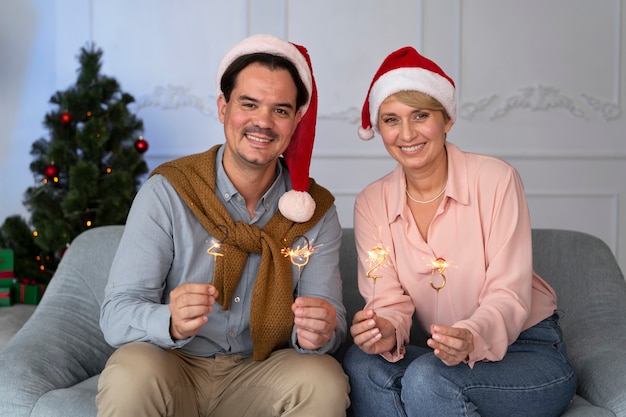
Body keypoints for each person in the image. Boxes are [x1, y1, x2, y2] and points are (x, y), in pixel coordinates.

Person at [97, 34, 350, 417]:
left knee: (324, 379)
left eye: (280, 110)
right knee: (130, 372)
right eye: (249, 104)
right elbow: (116, 315)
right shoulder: (169, 192)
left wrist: (320, 330)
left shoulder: (316, 211)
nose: (262, 122)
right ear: (222, 107)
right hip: (175, 365)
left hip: (262, 371)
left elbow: (332, 316)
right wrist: (170, 320)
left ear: (297, 120)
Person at [342, 46, 577, 417]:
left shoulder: (496, 180)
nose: (406, 134)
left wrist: (471, 336)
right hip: (437, 353)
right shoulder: (372, 202)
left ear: (447, 119)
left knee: (427, 379)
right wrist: (384, 329)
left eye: (420, 115)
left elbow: (507, 293)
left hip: (525, 350)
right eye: (391, 119)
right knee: (362, 364)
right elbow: (386, 298)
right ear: (379, 128)